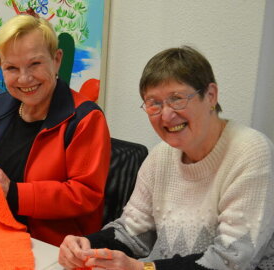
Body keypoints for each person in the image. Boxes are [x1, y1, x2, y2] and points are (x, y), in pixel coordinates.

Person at [58, 46, 274, 270]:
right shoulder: (161, 156)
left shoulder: (251, 152)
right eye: (154, 103)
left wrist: (143, 269)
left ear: (211, 95)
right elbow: (132, 232)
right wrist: (86, 246)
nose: (167, 115)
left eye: (177, 98)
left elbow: (233, 260)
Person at [0, 14, 111, 247]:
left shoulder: (86, 119)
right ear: (1, 66)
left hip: (51, 248)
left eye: (35, 64)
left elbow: (85, 195)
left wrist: (13, 191)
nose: (24, 78)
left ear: (56, 59)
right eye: (11, 67)